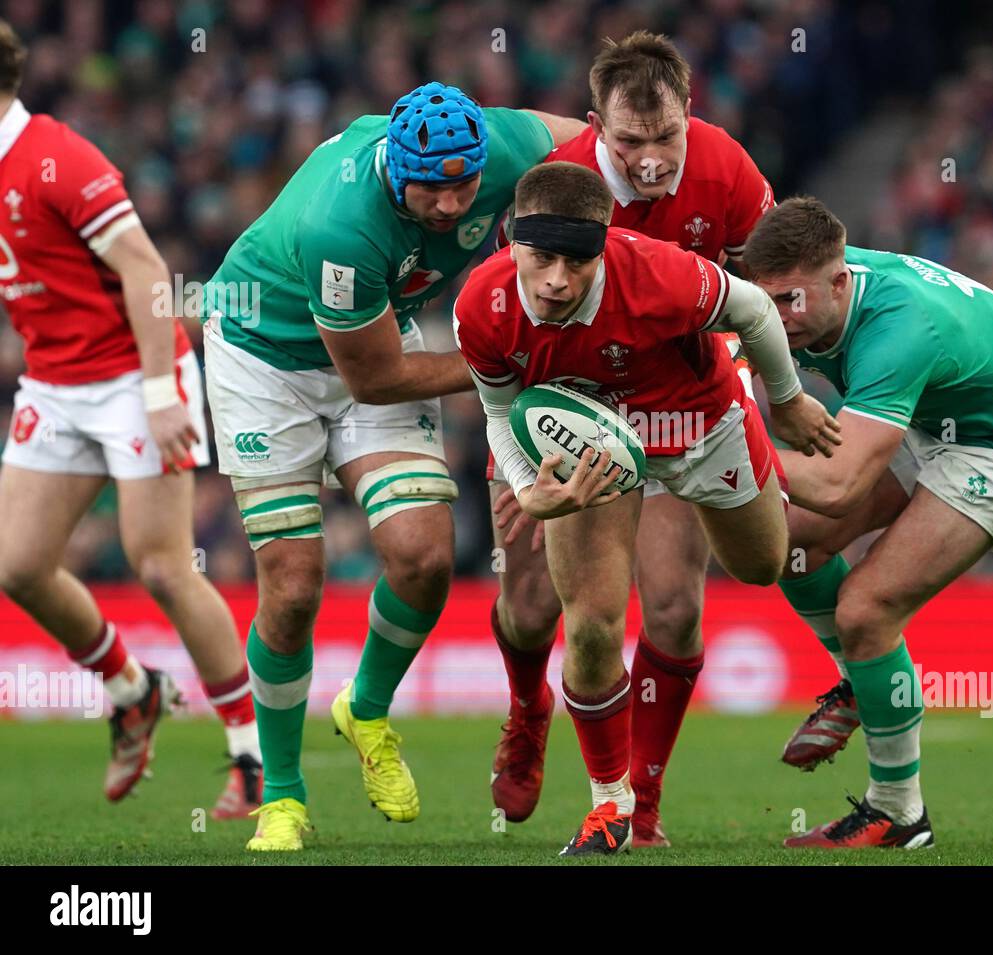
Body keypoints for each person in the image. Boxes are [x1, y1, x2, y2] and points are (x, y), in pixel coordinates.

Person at [201, 80, 584, 851]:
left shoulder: (501, 143)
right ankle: (282, 795)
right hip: (263, 359)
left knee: (423, 558)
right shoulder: (342, 225)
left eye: (464, 187)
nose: (449, 206)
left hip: (379, 335)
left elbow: (596, 147)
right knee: (294, 581)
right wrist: (509, 362)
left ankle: (365, 708)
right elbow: (374, 379)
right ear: (392, 167)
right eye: (429, 189)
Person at [454, 161, 838, 855]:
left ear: (606, 245)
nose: (556, 282)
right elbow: (498, 407)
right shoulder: (482, 306)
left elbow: (750, 307)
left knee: (760, 565)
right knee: (593, 625)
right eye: (540, 259)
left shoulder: (658, 273)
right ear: (513, 243)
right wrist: (522, 479)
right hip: (591, 443)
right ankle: (613, 805)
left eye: (577, 262)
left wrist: (784, 398)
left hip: (696, 425)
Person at [484, 31, 776, 847]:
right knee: (539, 606)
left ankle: (637, 807)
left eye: (666, 137)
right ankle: (527, 706)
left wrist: (752, 386)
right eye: (629, 141)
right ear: (594, 127)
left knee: (677, 608)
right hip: (571, 405)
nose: (651, 161)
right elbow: (502, 311)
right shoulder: (553, 188)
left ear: (691, 115)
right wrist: (512, 458)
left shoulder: (730, 171)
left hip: (682, 401)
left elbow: (762, 296)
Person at [744, 197, 993, 848]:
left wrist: (710, 455)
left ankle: (898, 811)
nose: (776, 320)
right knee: (792, 546)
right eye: (766, 302)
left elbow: (839, 486)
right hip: (931, 411)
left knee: (866, 609)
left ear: (840, 283)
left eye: (790, 302)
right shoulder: (798, 294)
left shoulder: (897, 328)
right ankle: (859, 683)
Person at [0, 19, 261, 815]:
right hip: (55, 382)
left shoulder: (54, 156)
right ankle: (131, 686)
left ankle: (253, 760)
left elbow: (149, 271)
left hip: (131, 374)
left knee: (160, 566)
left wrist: (160, 391)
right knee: (16, 566)